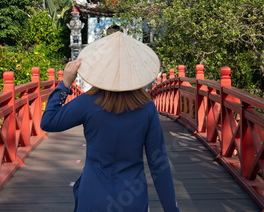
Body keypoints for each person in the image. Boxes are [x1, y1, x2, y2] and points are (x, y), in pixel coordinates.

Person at [41, 32, 179, 212]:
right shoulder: (147, 108)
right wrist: (171, 209)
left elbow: (48, 121)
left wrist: (65, 85)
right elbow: (158, 164)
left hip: (92, 197)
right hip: (132, 200)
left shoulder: (87, 103)